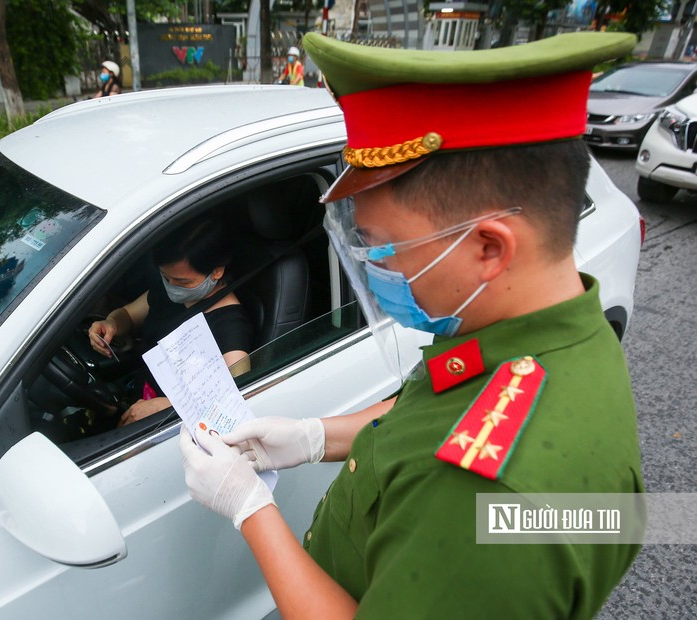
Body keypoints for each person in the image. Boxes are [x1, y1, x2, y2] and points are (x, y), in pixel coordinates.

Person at [179, 31, 644, 619]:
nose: (373, 268)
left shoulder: (485, 496)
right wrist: (313, 437)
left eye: (381, 246)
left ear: (488, 248)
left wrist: (250, 510)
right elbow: (427, 416)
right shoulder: (544, 331)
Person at [90, 218, 253, 426]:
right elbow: (129, 315)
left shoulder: (230, 326)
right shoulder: (172, 293)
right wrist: (111, 323)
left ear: (217, 271)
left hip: (169, 423)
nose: (172, 286)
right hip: (140, 397)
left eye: (182, 281)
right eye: (166, 277)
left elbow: (236, 395)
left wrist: (166, 407)